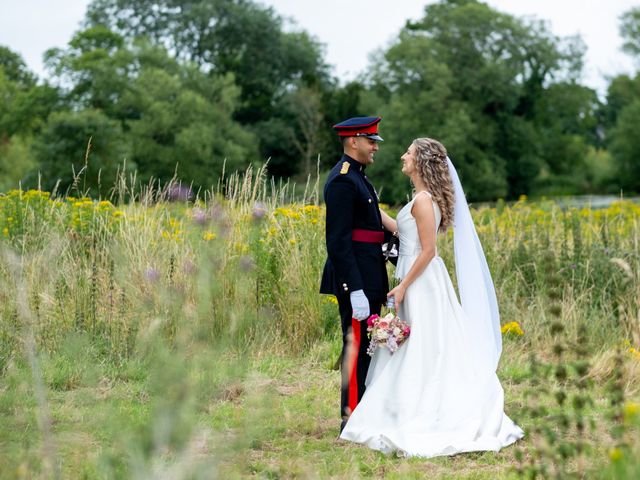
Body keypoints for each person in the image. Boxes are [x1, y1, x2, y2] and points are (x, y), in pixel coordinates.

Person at [340, 137, 524, 457]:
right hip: (416, 280)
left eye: (408, 153)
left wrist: (404, 285)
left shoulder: (424, 200)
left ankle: (425, 408)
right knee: (419, 343)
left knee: (426, 344)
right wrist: (371, 204)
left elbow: (428, 251)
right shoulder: (421, 198)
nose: (402, 156)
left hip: (422, 281)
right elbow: (402, 231)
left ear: (421, 161)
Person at [320, 116, 390, 433]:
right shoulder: (343, 180)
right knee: (356, 346)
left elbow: (371, 230)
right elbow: (338, 241)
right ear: (353, 141)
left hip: (370, 273)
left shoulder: (360, 178)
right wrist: (354, 289)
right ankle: (351, 417)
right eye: (370, 140)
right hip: (356, 279)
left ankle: (363, 414)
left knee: (367, 349)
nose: (375, 146)